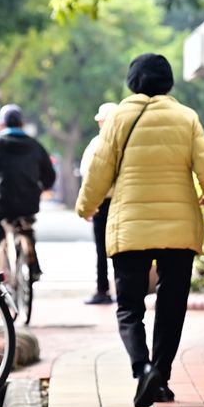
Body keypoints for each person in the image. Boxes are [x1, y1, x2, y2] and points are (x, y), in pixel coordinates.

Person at [76, 54, 204, 407]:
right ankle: (161, 378)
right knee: (172, 306)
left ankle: (143, 368)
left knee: (129, 306)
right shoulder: (186, 117)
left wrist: (86, 206)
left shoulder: (118, 118)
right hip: (179, 228)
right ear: (168, 83)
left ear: (132, 82)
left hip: (130, 226)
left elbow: (98, 170)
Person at [0, 104, 56, 276]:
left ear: (1, 125)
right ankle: (34, 267)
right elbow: (50, 175)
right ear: (22, 124)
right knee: (27, 227)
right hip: (29, 204)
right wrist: (42, 188)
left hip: (4, 204)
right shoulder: (35, 145)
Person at [78, 102, 120, 305]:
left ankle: (103, 290)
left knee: (101, 250)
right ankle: (123, 289)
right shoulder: (126, 142)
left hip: (102, 204)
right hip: (123, 202)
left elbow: (88, 176)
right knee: (122, 248)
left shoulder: (97, 143)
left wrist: (86, 205)